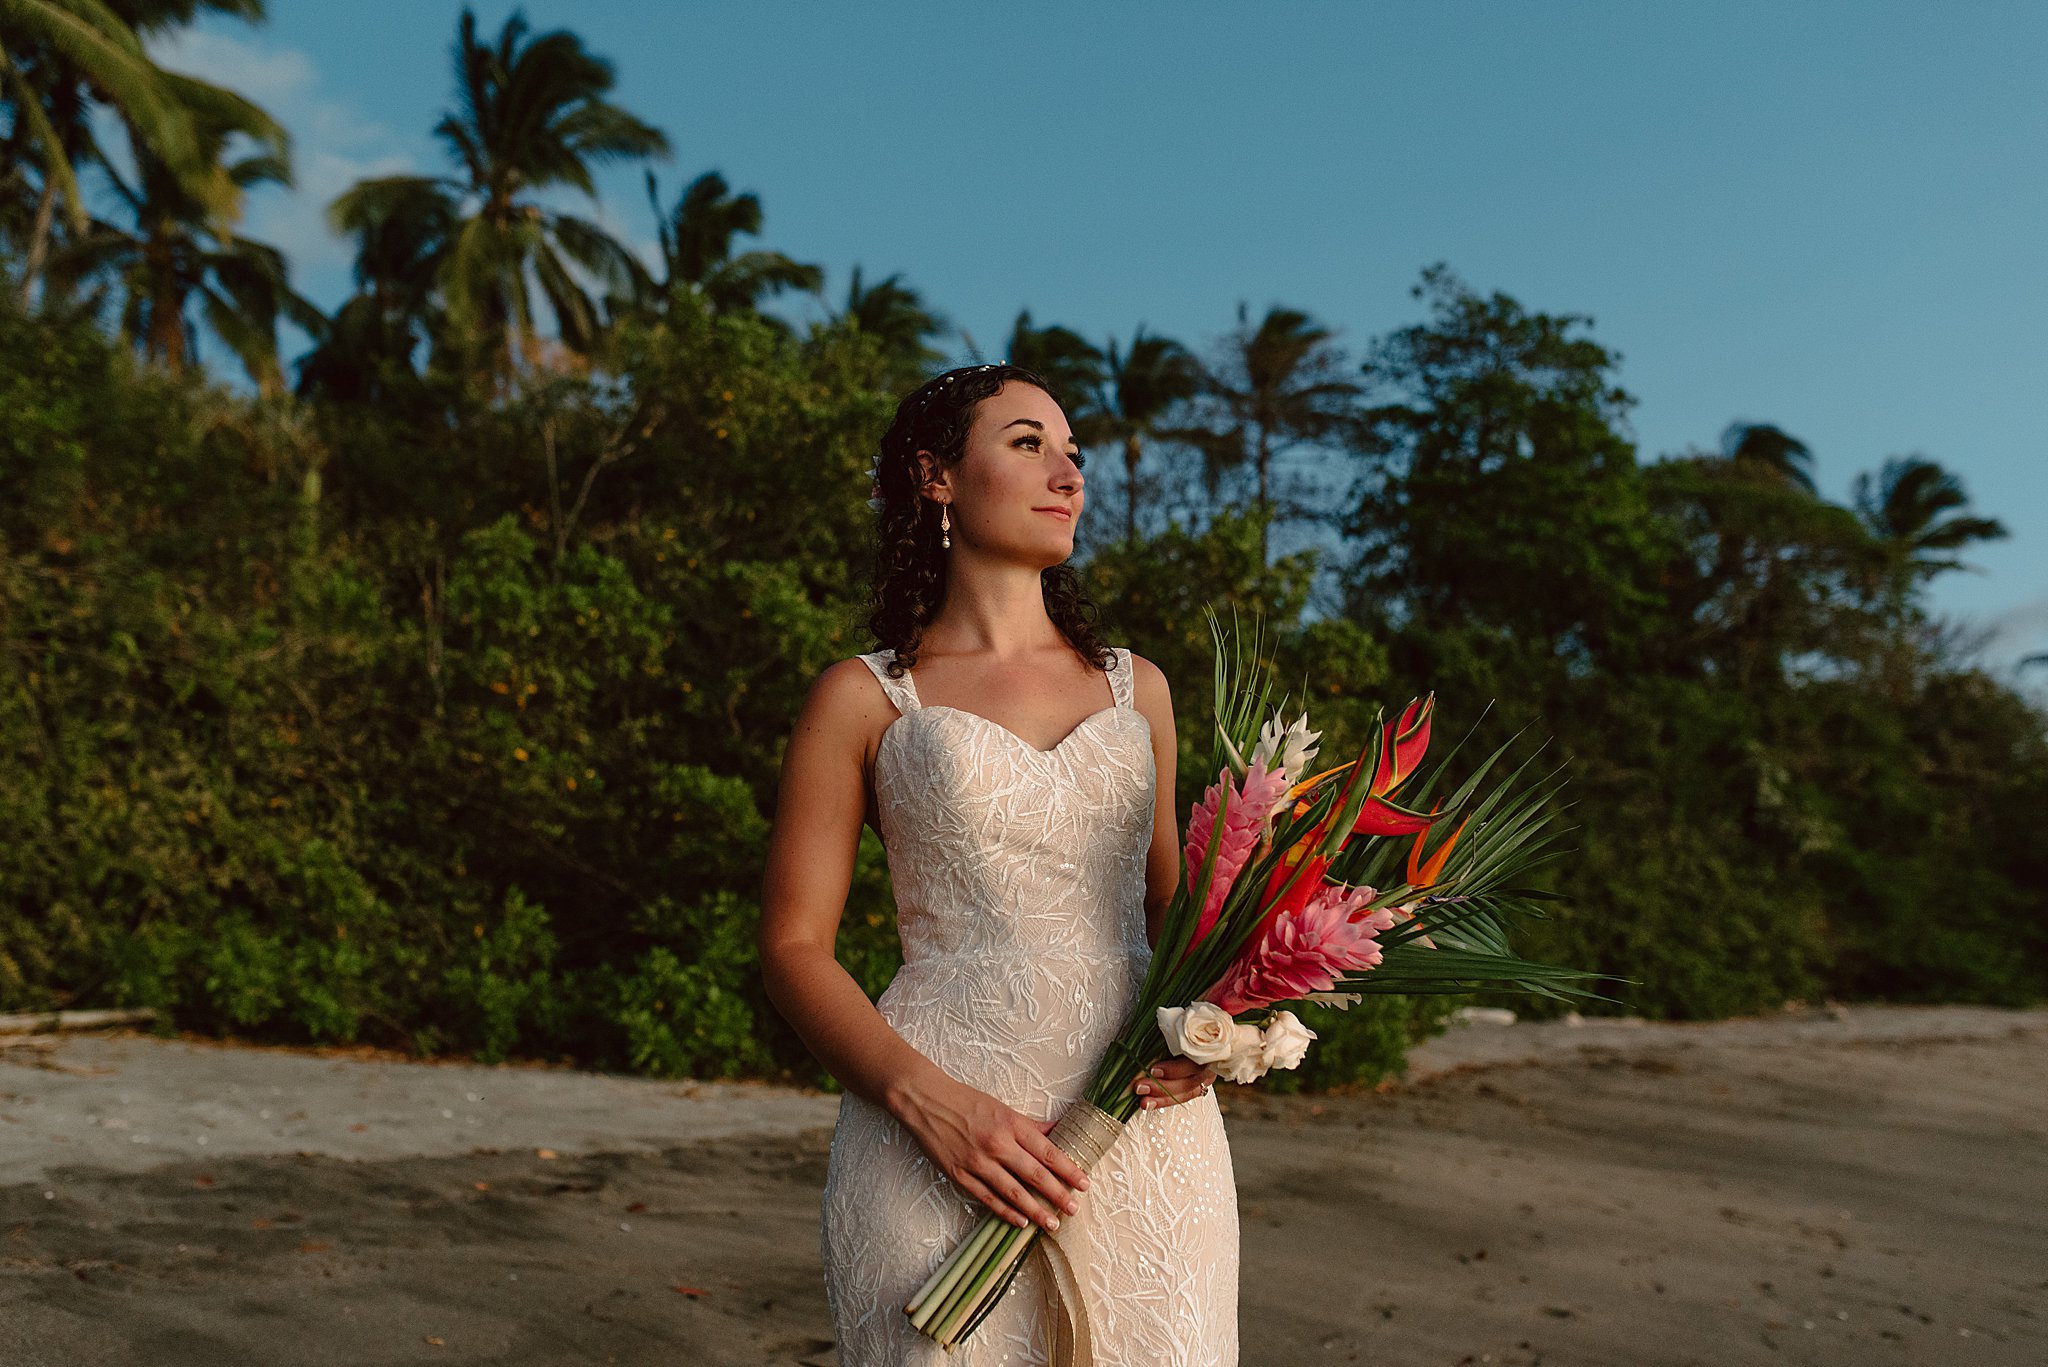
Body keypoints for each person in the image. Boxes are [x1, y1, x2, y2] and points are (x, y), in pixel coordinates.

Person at [758, 363, 1241, 1365]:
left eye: (1073, 452)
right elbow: (793, 944)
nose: (1066, 472)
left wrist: (1219, 1028)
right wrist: (931, 1102)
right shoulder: (861, 696)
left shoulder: (1136, 690)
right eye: (1026, 442)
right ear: (935, 476)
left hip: (1137, 1141)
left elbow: (1175, 921)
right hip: (930, 1128)